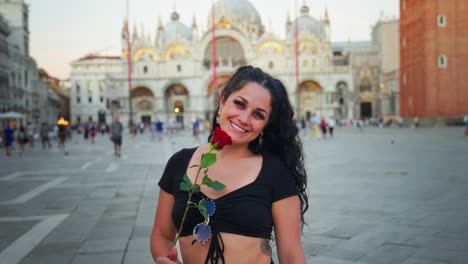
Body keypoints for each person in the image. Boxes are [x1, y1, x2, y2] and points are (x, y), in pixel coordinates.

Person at [151, 66, 308, 264]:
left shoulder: (275, 173)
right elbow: (162, 235)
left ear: (266, 125)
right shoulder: (179, 163)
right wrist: (164, 258)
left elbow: (292, 256)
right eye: (240, 104)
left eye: (258, 115)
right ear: (223, 100)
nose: (244, 119)